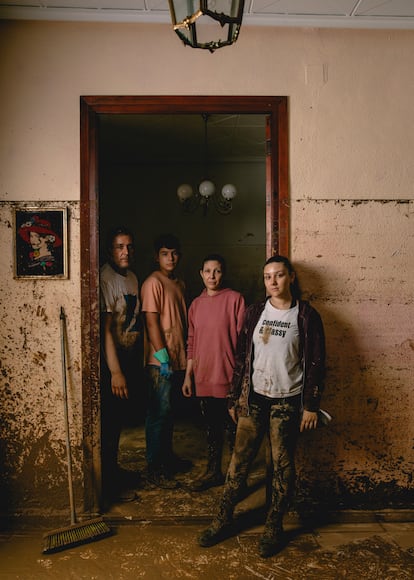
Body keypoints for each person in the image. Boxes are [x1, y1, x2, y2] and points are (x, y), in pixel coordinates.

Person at [198, 255, 326, 558]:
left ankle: (274, 526)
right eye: (268, 276)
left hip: (286, 401)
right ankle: (222, 519)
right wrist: (234, 398)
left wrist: (310, 405)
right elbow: (242, 358)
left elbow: (317, 364)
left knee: (281, 465)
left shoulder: (306, 315)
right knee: (238, 463)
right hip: (254, 399)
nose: (273, 281)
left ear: (291, 277)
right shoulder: (255, 312)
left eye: (279, 275)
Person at [182, 254, 246, 491]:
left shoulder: (235, 299)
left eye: (217, 271)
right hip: (203, 377)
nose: (212, 276)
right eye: (207, 271)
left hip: (228, 377)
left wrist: (242, 379)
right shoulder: (196, 305)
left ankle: (235, 476)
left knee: (233, 431)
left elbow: (243, 341)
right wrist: (188, 375)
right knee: (211, 429)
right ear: (201, 274)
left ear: (223, 273)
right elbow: (191, 341)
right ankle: (213, 472)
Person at [141, 233, 190, 489]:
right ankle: (154, 468)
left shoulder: (179, 283)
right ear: (156, 256)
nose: (170, 258)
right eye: (164, 253)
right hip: (161, 360)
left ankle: (167, 459)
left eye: (173, 253)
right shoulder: (153, 282)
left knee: (169, 412)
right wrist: (162, 358)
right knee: (158, 413)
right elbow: (151, 321)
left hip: (178, 357)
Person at [100, 226, 143, 503]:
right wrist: (115, 371)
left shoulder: (133, 278)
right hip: (111, 362)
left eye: (129, 246)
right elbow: (105, 331)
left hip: (129, 358)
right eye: (119, 246)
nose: (125, 251)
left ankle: (114, 471)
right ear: (110, 250)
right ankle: (107, 483)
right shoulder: (106, 278)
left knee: (119, 422)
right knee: (108, 423)